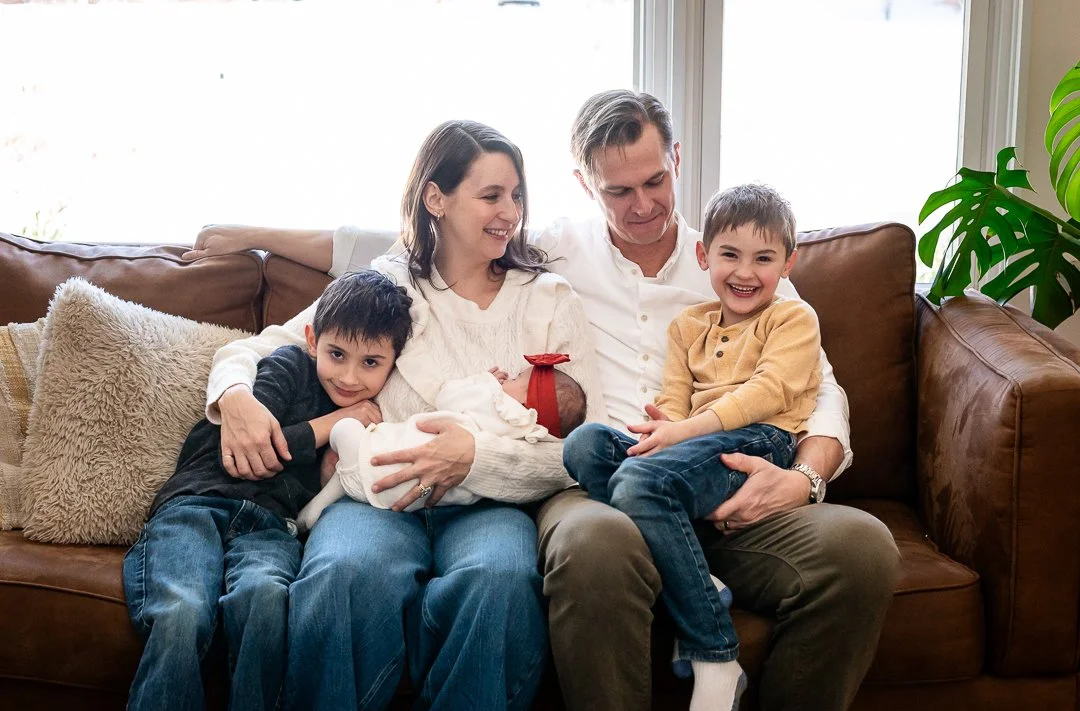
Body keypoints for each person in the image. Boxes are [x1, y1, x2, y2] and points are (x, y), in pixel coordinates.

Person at [183, 92, 900, 711]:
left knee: (862, 549)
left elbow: (821, 385)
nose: (643, 205)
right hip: (605, 479)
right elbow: (396, 245)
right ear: (586, 185)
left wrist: (803, 478)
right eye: (619, 191)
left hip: (729, 478)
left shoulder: (737, 258)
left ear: (677, 159)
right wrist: (246, 249)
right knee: (588, 544)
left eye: (655, 180)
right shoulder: (551, 250)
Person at [198, 119, 606, 710]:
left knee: (496, 582)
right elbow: (261, 346)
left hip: (489, 503)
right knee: (341, 573)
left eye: (516, 195)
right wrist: (234, 396)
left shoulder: (548, 300)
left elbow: (576, 449)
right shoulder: (388, 283)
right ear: (435, 199)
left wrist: (475, 457)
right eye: (491, 195)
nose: (510, 211)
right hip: (376, 494)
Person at [564, 183, 822, 711]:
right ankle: (697, 574)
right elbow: (674, 399)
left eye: (764, 258)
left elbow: (769, 391)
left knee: (639, 482)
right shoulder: (689, 326)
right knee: (586, 445)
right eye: (730, 254)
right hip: (695, 446)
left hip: (759, 442)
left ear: (788, 264)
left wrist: (683, 433)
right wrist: (666, 429)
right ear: (704, 254)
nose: (745, 272)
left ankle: (715, 653)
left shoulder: (793, 318)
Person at [122, 270, 413, 711]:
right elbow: (252, 450)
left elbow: (321, 496)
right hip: (198, 505)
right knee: (182, 612)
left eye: (371, 363)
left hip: (272, 528)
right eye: (337, 354)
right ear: (313, 339)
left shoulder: (372, 418)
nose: (350, 377)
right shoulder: (289, 365)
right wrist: (328, 426)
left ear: (393, 364)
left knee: (265, 599)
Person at [298, 356, 587, 528]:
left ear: (523, 400)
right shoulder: (531, 433)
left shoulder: (495, 400)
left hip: (390, 466)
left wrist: (483, 381)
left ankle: (330, 491)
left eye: (518, 378)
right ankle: (331, 493)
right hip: (443, 496)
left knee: (346, 429)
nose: (508, 377)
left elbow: (448, 395)